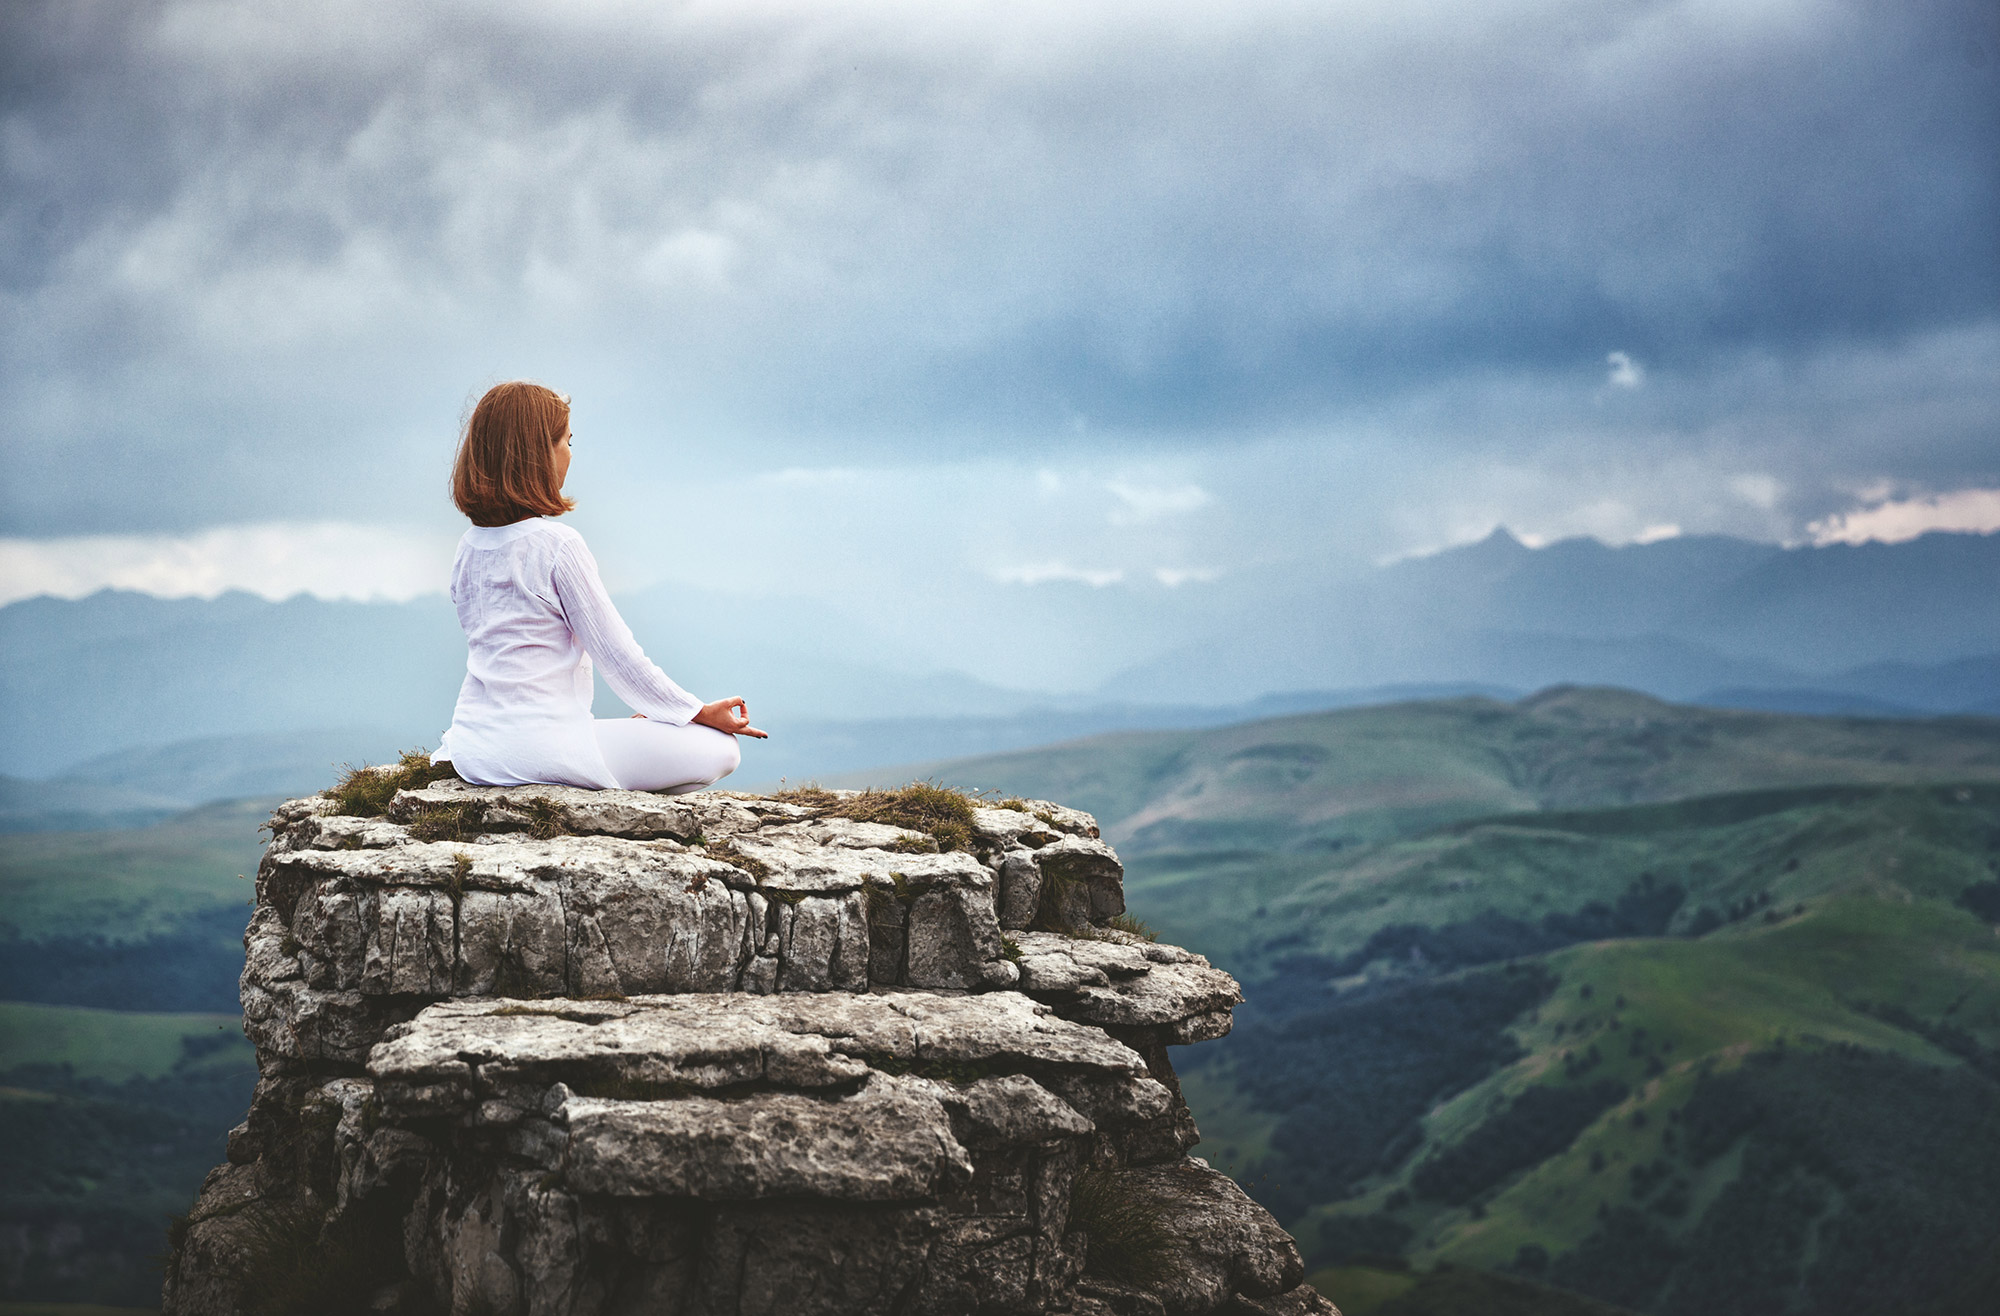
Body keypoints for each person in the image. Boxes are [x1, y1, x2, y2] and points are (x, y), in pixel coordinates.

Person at [433, 380, 765, 793]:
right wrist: (694, 712)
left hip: (476, 749)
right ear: (538, 453)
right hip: (543, 748)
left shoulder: (469, 546)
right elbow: (619, 657)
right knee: (721, 749)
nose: (570, 454)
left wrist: (663, 715)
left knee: (651, 734)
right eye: (566, 441)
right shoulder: (557, 546)